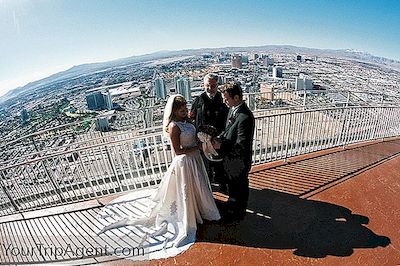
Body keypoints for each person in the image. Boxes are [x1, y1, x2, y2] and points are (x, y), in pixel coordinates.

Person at [98, 94, 220, 260]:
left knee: (198, 186)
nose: (185, 111)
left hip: (195, 160)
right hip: (185, 163)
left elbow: (193, 136)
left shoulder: (187, 122)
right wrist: (197, 148)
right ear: (174, 111)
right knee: (186, 191)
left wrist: (203, 140)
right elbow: (178, 151)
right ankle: (188, 215)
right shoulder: (174, 127)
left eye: (185, 108)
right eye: (182, 109)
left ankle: (199, 209)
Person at [213, 82, 255, 222]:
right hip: (231, 160)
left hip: (239, 161)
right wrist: (219, 138)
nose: (225, 101)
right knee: (234, 187)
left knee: (239, 188)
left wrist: (221, 146)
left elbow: (241, 145)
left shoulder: (245, 117)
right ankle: (233, 210)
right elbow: (229, 130)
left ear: (236, 97)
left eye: (227, 98)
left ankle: (237, 214)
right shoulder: (233, 110)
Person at [190, 73, 228, 189]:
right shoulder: (198, 100)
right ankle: (208, 187)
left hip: (218, 139)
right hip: (202, 141)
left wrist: (219, 137)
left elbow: (227, 119)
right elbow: (192, 116)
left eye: (213, 85)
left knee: (219, 163)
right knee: (205, 165)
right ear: (204, 85)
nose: (210, 88)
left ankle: (222, 184)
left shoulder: (222, 100)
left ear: (217, 85)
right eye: (207, 85)